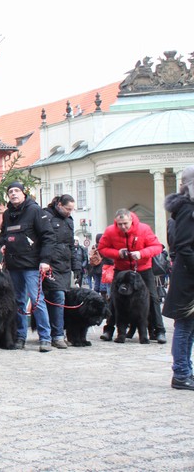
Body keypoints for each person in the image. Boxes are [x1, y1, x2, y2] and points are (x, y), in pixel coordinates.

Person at [0, 182, 56, 352]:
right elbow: (3, 234)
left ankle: (45, 338)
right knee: (18, 302)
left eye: (16, 191)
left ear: (24, 193)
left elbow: (48, 236)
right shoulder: (8, 214)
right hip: (14, 265)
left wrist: (45, 260)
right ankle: (20, 336)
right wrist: (3, 243)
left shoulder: (35, 211)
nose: (13, 194)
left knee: (37, 301)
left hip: (32, 265)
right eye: (10, 191)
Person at [97, 208, 166, 343]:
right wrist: (117, 253)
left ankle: (159, 331)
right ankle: (109, 330)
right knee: (114, 299)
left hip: (143, 268)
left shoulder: (144, 229)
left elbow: (157, 247)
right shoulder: (110, 231)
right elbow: (102, 248)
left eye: (125, 224)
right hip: (121, 269)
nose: (123, 227)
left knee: (153, 298)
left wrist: (141, 253)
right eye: (120, 224)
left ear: (131, 220)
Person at [163, 165, 194, 390]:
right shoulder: (186, 209)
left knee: (190, 327)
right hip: (187, 277)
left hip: (188, 274)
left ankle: (185, 370)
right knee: (184, 326)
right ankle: (181, 373)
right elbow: (184, 245)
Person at [42, 194, 80, 349]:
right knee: (57, 297)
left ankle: (57, 332)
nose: (69, 212)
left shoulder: (69, 221)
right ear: (59, 204)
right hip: (51, 264)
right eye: (67, 209)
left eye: (72, 209)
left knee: (61, 298)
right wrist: (44, 261)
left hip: (65, 266)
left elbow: (71, 246)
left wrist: (76, 265)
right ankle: (57, 335)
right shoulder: (46, 216)